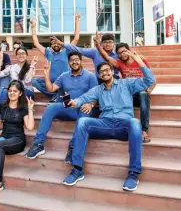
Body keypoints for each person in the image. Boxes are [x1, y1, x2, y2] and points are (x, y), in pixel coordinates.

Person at [63, 51, 155, 192]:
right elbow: (83, 98)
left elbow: (149, 80)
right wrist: (73, 102)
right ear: (99, 75)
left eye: (107, 70)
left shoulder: (127, 84)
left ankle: (133, 173)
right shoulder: (97, 90)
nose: (104, 73)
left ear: (112, 72)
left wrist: (139, 61)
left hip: (123, 126)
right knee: (82, 122)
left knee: (135, 123)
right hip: (104, 125)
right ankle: (77, 169)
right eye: (101, 72)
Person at [26, 51, 98, 163]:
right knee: (51, 107)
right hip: (69, 107)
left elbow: (96, 95)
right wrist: (46, 74)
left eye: (76, 59)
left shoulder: (90, 76)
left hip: (85, 108)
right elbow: (51, 89)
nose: (74, 62)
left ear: (80, 61)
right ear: (68, 62)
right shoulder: (64, 76)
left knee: (84, 112)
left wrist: (91, 104)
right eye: (71, 60)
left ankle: (73, 148)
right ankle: (38, 144)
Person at [94, 37, 155, 143]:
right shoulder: (119, 63)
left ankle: (144, 130)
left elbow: (152, 79)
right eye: (119, 53)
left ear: (129, 50)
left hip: (140, 92)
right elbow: (106, 57)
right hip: (128, 92)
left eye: (124, 52)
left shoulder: (140, 60)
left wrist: (148, 90)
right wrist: (98, 45)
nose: (122, 54)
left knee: (143, 95)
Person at [31, 13, 81, 102]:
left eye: (58, 43)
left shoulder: (66, 51)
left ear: (61, 44)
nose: (56, 45)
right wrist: (33, 27)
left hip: (62, 83)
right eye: (54, 43)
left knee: (65, 89)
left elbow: (76, 38)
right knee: (34, 81)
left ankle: (57, 95)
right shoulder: (48, 52)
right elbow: (36, 43)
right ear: (51, 45)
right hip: (49, 83)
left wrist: (77, 21)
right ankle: (54, 95)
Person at [0, 48, 38, 132]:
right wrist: (0, 61)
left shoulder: (30, 67)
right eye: (19, 53)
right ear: (16, 56)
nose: (21, 55)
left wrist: (32, 65)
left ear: (26, 55)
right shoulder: (11, 67)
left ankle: (0, 121)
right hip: (15, 92)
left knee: (9, 92)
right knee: (4, 91)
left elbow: (28, 80)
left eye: (23, 53)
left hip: (27, 92)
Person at [52, 33, 119, 83]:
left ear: (114, 43)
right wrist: (61, 43)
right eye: (105, 42)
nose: (107, 44)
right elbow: (78, 49)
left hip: (115, 80)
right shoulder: (95, 51)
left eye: (110, 42)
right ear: (101, 43)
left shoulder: (118, 54)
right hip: (99, 81)